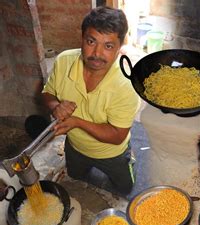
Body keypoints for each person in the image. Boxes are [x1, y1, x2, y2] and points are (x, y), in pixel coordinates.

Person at [42, 6, 140, 196]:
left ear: (120, 47)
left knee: (125, 189)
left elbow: (117, 135)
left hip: (111, 153)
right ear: (82, 39)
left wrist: (76, 122)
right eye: (91, 41)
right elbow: (47, 93)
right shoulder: (64, 61)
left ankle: (129, 159)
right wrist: (55, 106)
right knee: (75, 176)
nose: (97, 53)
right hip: (76, 147)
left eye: (108, 46)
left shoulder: (127, 85)